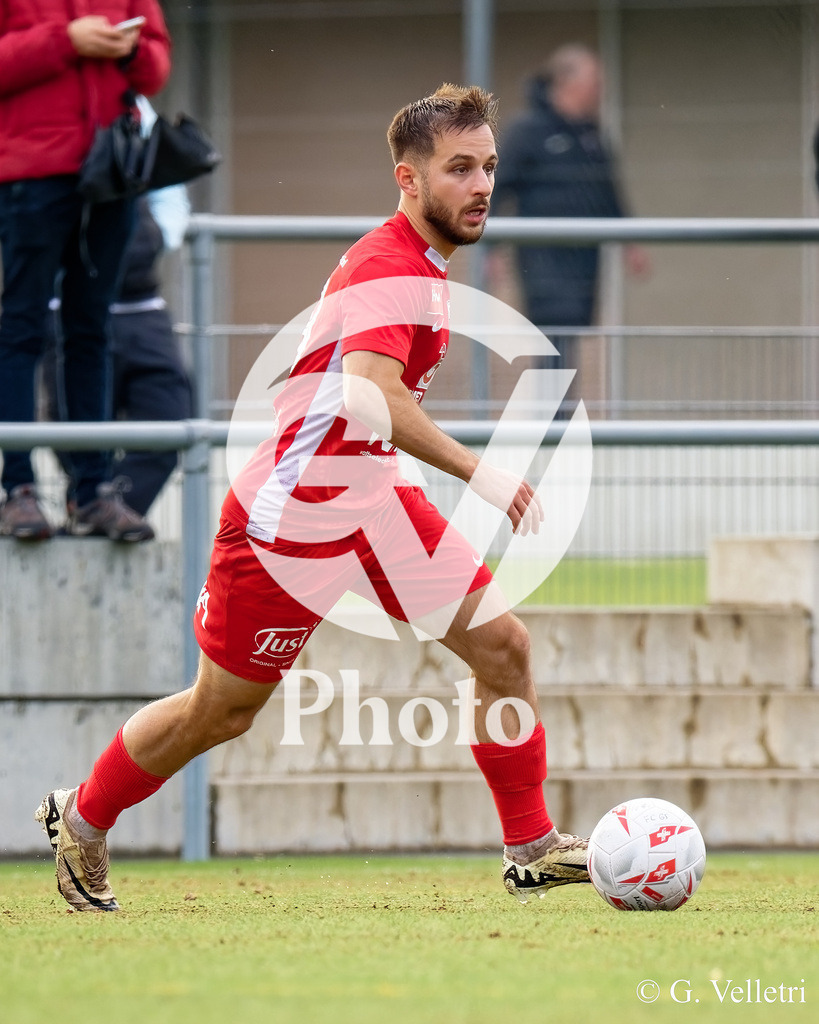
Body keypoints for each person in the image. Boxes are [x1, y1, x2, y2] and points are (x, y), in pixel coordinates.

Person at [35, 84, 590, 912]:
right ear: (407, 179)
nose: (480, 186)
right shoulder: (385, 266)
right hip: (291, 518)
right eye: (459, 170)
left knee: (502, 648)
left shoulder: (425, 266)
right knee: (220, 713)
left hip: (372, 496)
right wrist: (481, 472)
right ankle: (82, 817)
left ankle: (531, 847)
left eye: (488, 168)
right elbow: (372, 398)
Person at [0, 4, 171, 541]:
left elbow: (155, 69)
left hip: (110, 170)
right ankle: (17, 489)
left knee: (91, 330)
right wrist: (65, 39)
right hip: (30, 172)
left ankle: (93, 493)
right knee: (22, 328)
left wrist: (134, 49)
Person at [491, 44, 648, 409]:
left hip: (584, 259)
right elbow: (495, 188)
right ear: (566, 82)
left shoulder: (590, 135)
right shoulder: (528, 130)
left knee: (568, 337)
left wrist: (631, 243)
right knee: (552, 335)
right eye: (595, 82)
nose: (599, 90)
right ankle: (551, 426)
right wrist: (490, 246)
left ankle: (556, 421)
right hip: (542, 257)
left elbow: (609, 192)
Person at [44, 183, 193, 522]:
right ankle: (93, 508)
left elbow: (169, 191)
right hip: (68, 305)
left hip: (141, 305)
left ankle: (105, 513)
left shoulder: (138, 131)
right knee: (77, 434)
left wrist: (156, 237)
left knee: (170, 422)